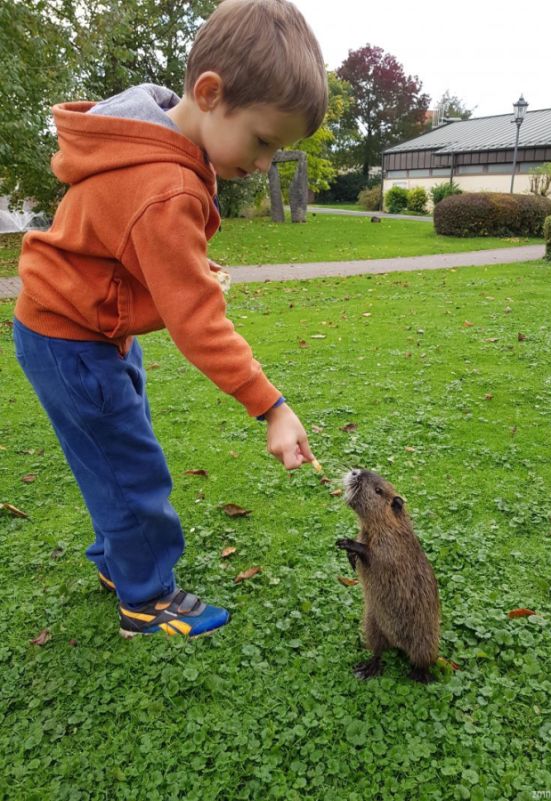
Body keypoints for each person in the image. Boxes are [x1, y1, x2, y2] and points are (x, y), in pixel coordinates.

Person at [13, 0, 328, 639]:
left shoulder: (149, 140)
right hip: (72, 337)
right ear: (209, 93)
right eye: (264, 141)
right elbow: (198, 324)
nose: (266, 163)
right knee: (131, 466)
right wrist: (270, 406)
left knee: (114, 453)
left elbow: (129, 253)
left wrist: (190, 273)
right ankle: (147, 599)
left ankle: (119, 562)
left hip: (75, 327)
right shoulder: (167, 183)